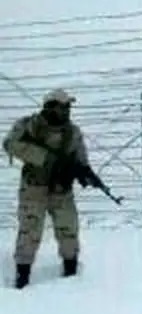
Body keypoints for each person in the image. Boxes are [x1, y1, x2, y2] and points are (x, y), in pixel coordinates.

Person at [2, 89, 91, 289]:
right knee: (29, 232)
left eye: (68, 106)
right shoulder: (29, 126)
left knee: (69, 229)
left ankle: (71, 273)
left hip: (61, 190)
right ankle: (22, 278)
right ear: (50, 106)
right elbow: (10, 144)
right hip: (34, 188)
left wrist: (84, 173)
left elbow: (81, 158)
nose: (67, 110)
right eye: (62, 106)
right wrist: (44, 158)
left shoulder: (72, 132)